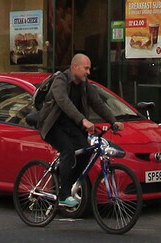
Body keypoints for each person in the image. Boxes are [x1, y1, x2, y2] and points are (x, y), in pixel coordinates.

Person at [38, 52, 115, 204]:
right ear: (75, 67)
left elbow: (98, 103)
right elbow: (63, 101)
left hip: (70, 127)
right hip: (53, 126)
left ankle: (65, 185)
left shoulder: (85, 85)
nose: (88, 72)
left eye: (89, 69)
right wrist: (83, 120)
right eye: (86, 68)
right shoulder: (61, 80)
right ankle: (64, 195)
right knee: (67, 149)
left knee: (86, 151)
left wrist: (113, 121)